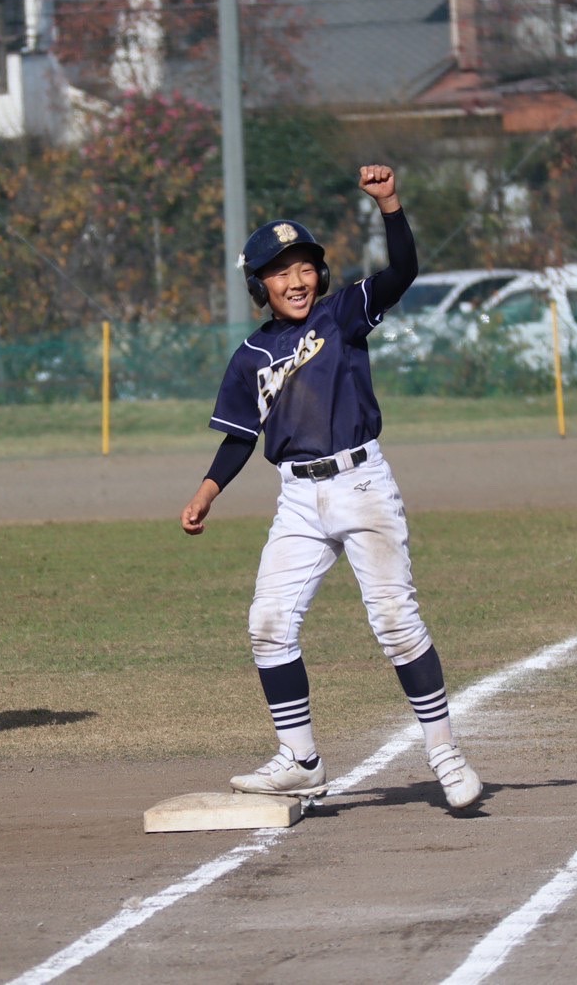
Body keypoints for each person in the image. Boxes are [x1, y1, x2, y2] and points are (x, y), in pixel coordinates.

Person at [180, 166, 483, 811]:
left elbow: (401, 272)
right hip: (297, 498)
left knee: (397, 622)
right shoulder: (249, 356)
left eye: (306, 266)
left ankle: (445, 752)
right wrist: (207, 492)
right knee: (268, 623)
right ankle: (300, 758)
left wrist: (391, 206)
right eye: (280, 271)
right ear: (258, 285)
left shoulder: (343, 315)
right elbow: (239, 436)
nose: (297, 280)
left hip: (362, 483)